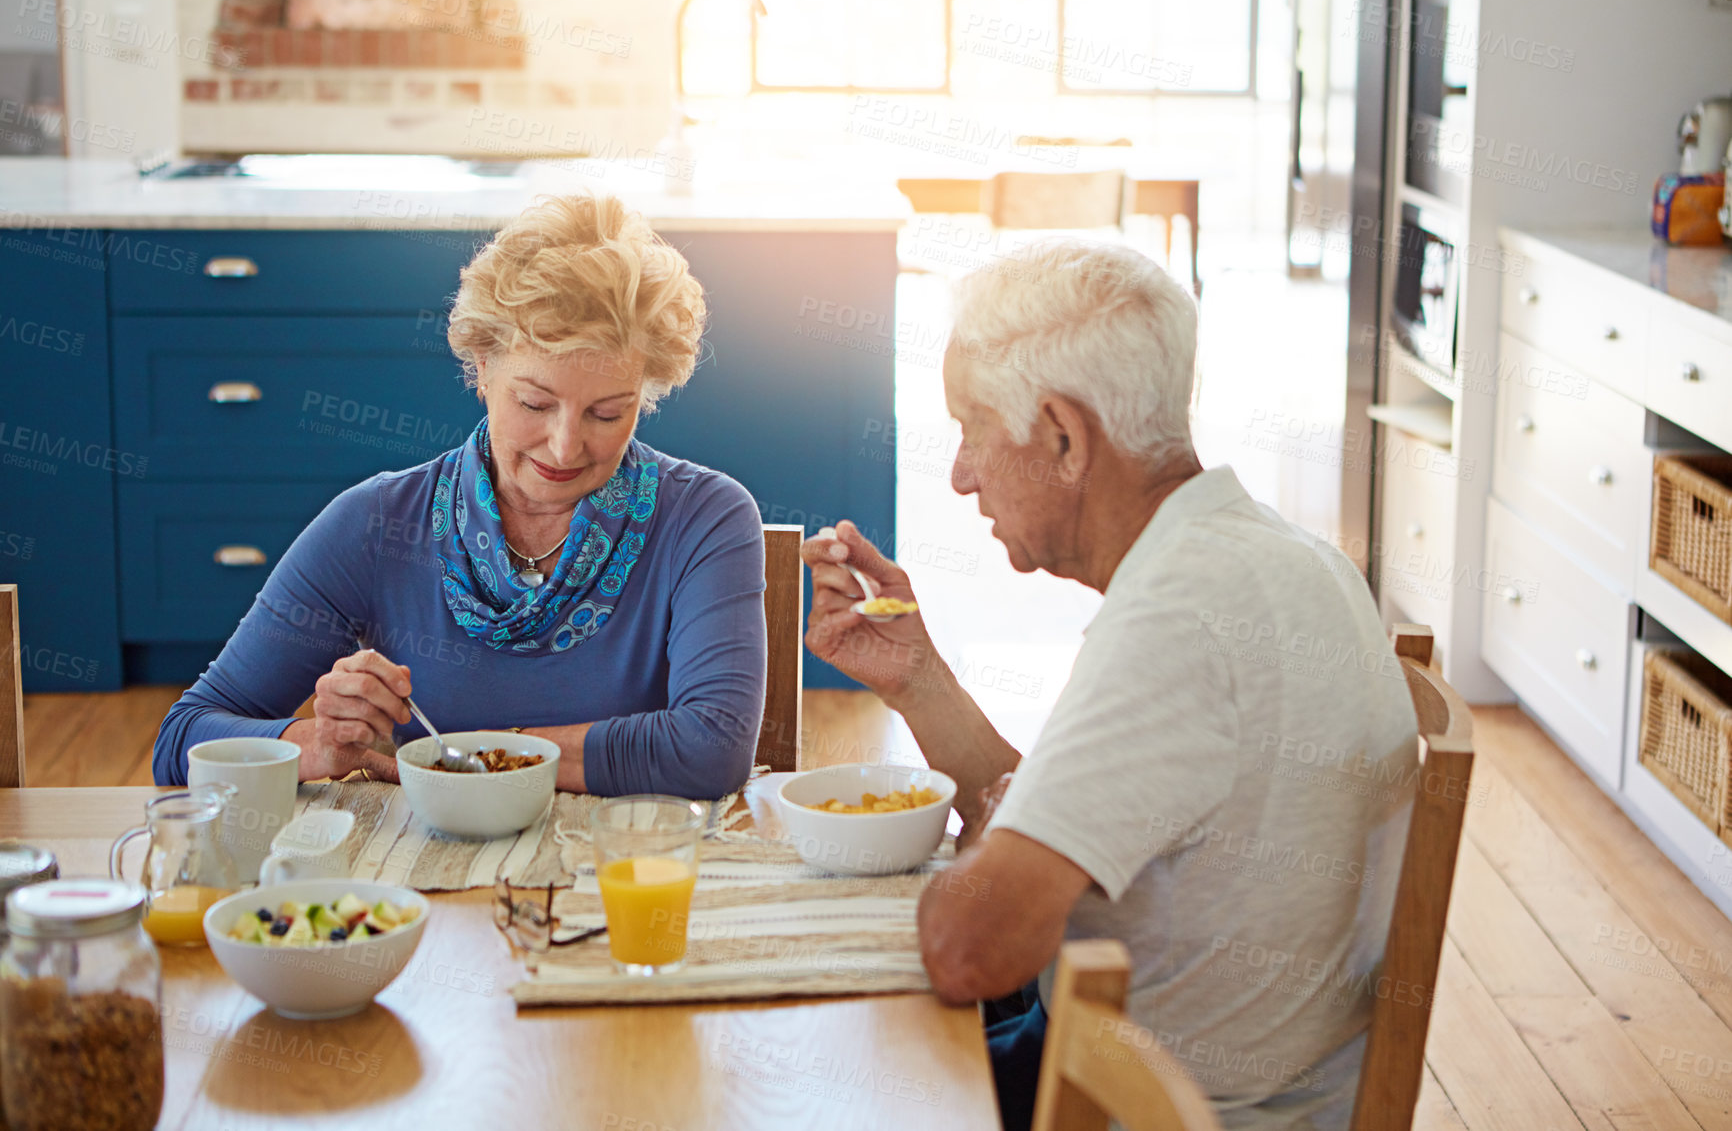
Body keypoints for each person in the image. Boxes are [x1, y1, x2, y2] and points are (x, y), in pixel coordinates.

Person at [802, 240, 1420, 1130]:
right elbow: (1070, 823)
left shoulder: (1179, 617)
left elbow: (966, 950)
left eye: (971, 427)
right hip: (1233, 1073)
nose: (961, 472)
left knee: (800, 1064)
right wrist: (919, 679)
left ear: (1062, 435)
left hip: (1153, 1104)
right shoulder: (1282, 558)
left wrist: (987, 856)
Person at [155, 194, 767, 799]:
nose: (564, 447)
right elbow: (182, 740)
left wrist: (476, 760)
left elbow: (711, 748)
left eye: (608, 413)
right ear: (481, 366)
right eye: (534, 403)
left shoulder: (705, 518)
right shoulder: (376, 524)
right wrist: (316, 743)